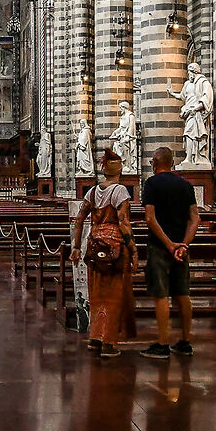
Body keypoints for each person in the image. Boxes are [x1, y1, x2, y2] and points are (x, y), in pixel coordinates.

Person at [138, 146, 201, 358]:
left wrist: (168, 244)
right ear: (172, 163)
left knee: (162, 295)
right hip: (181, 250)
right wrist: (183, 244)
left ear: (155, 163)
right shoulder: (185, 185)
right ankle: (185, 342)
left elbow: (149, 218)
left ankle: (163, 343)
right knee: (183, 294)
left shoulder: (152, 183)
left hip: (160, 248)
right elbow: (195, 218)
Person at [72, 150, 135, 358]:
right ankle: (109, 342)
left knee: (96, 294)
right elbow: (124, 223)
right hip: (114, 247)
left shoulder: (92, 192)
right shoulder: (120, 192)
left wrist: (76, 247)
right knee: (114, 295)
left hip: (94, 245)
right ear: (120, 170)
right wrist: (133, 248)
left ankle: (95, 338)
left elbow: (80, 219)